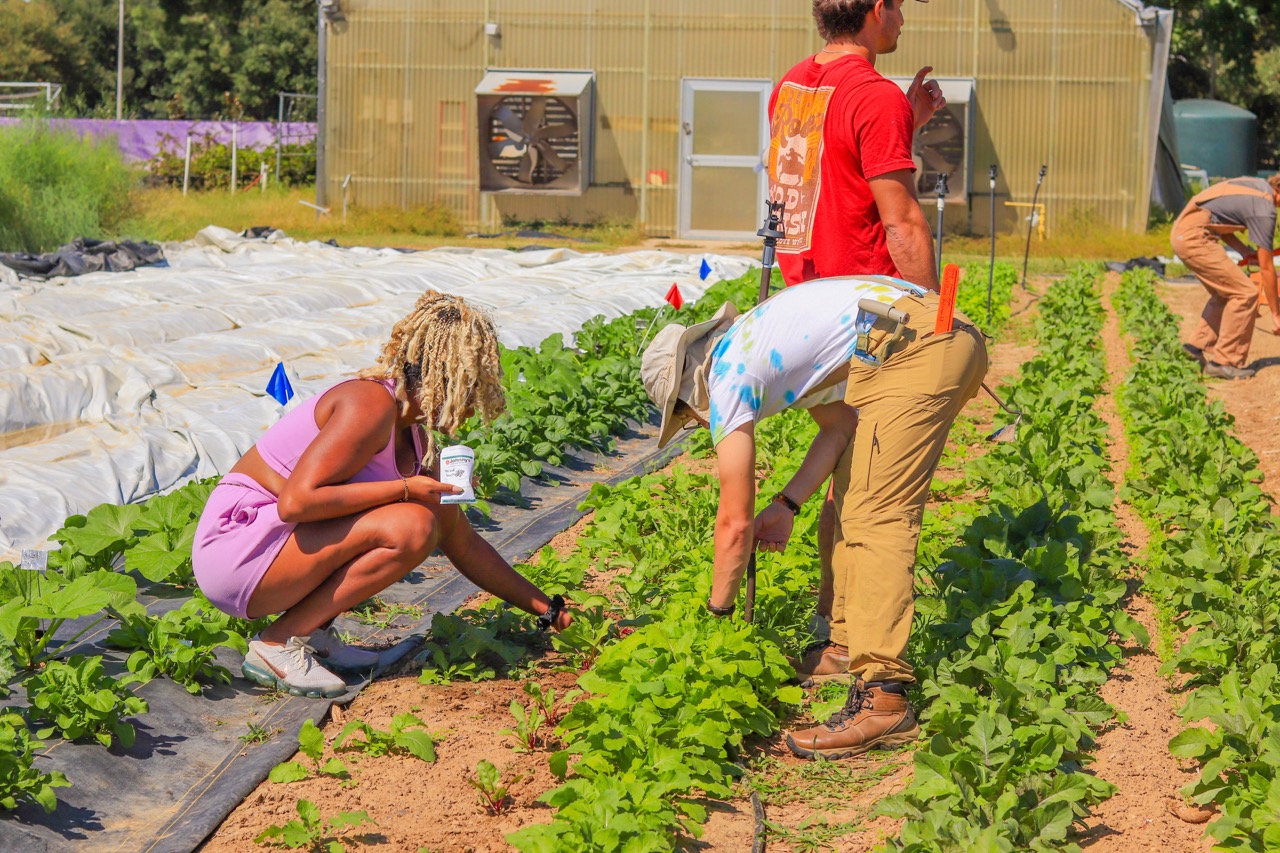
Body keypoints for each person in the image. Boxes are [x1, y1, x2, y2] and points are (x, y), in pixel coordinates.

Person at [640, 274, 988, 759]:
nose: (696, 422)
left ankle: (884, 696)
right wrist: (786, 506)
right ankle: (846, 645)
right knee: (852, 492)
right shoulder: (762, 342)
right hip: (932, 332)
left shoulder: (727, 375)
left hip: (920, 343)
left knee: (876, 516)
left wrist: (717, 614)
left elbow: (734, 521)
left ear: (687, 387)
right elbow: (840, 427)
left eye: (685, 415)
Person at [193, 291, 572, 699]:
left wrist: (549, 611)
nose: (470, 405)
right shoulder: (369, 405)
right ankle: (277, 643)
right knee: (412, 523)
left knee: (431, 515)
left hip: (280, 547)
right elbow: (296, 503)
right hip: (239, 550)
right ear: (440, 378)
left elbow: (462, 542)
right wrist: (407, 488)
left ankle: (314, 636)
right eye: (469, 387)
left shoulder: (415, 435)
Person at [766, 0, 944, 290]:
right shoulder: (875, 95)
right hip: (866, 301)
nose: (902, 19)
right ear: (878, 10)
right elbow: (902, 224)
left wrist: (902, 124)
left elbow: (832, 167)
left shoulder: (788, 86)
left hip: (803, 296)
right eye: (897, 7)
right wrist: (934, 315)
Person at [1173, 174, 1280, 380]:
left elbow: (1219, 220)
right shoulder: (1265, 209)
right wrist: (1276, 314)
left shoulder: (1255, 187)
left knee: (1227, 292)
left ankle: (1194, 348)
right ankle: (1225, 362)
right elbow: (1267, 268)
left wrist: (1244, 251)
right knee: (1245, 293)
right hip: (1195, 237)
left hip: (1185, 232)